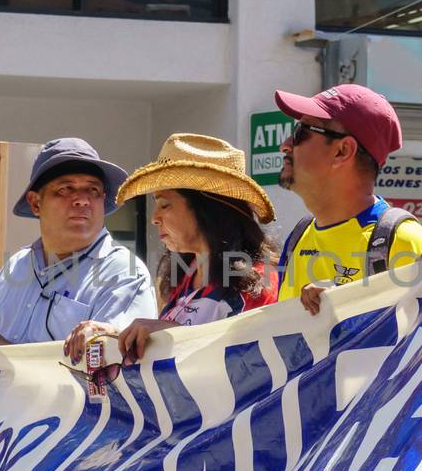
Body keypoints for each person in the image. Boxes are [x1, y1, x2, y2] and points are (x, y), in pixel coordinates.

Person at [62, 134, 277, 369]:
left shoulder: (255, 283)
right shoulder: (185, 276)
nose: (154, 218)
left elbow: (244, 367)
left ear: (207, 209)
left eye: (165, 204)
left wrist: (171, 332)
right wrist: (115, 335)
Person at [0, 138, 154, 354]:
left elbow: (115, 369)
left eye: (93, 190)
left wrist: (7, 354)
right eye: (66, 189)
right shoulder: (14, 268)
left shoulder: (124, 272)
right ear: (35, 203)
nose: (82, 200)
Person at [273, 83, 422, 312]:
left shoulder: (403, 240)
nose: (285, 145)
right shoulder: (298, 238)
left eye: (300, 133)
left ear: (342, 151)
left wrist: (346, 313)